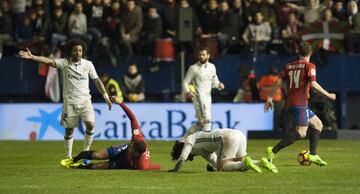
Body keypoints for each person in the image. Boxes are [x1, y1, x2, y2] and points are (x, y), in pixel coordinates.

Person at [18, 39, 112, 162]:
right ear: (71, 51)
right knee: (69, 130)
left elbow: (97, 80)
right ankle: (68, 157)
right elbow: (48, 61)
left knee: (90, 124)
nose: (78, 53)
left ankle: (86, 154)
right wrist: (32, 57)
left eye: (80, 50)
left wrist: (105, 96)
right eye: (75, 50)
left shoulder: (88, 64)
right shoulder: (64, 63)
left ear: (82, 52)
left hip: (85, 101)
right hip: (70, 102)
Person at [264, 42, 336, 167]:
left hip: (292, 103)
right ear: (311, 53)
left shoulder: (289, 66)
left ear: (299, 52)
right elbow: (313, 84)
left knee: (318, 124)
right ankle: (273, 151)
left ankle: (313, 155)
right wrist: (328, 95)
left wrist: (269, 98)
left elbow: (278, 82)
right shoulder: (310, 66)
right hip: (300, 103)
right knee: (302, 132)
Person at [60, 96, 161, 170]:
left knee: (97, 167)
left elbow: (154, 167)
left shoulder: (142, 165)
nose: (130, 145)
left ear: (136, 153)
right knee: (97, 156)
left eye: (131, 147)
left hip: (123, 164)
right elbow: (132, 118)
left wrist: (159, 167)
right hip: (121, 151)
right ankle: (74, 159)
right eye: (131, 144)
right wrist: (120, 103)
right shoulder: (137, 138)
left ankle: (78, 167)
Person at [169, 128, 278, 173]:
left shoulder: (189, 140)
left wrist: (175, 170)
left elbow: (182, 159)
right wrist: (212, 167)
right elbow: (216, 163)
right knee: (239, 166)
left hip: (227, 137)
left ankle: (245, 163)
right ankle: (262, 163)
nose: (188, 159)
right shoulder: (203, 152)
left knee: (225, 167)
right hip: (239, 134)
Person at [183, 47, 224, 136]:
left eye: (203, 55)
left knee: (200, 123)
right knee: (207, 120)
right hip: (198, 99)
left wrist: (219, 85)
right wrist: (187, 92)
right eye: (200, 55)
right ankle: (207, 145)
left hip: (208, 98)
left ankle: (184, 139)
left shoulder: (212, 67)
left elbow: (215, 81)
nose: (201, 57)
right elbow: (185, 82)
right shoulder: (193, 68)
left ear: (208, 56)